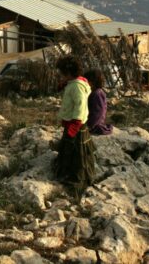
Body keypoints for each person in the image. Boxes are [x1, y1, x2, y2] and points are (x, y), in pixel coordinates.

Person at [53, 56, 96, 198]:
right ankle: (66, 172)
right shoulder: (76, 82)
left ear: (68, 72)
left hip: (76, 124)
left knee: (77, 152)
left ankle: (77, 179)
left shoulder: (77, 87)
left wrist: (75, 124)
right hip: (72, 123)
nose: (61, 76)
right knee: (69, 149)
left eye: (62, 74)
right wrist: (64, 83)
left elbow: (81, 106)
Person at [83, 69, 113, 135]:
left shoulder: (97, 94)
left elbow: (98, 112)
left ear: (92, 82)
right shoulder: (93, 92)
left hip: (95, 125)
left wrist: (90, 126)